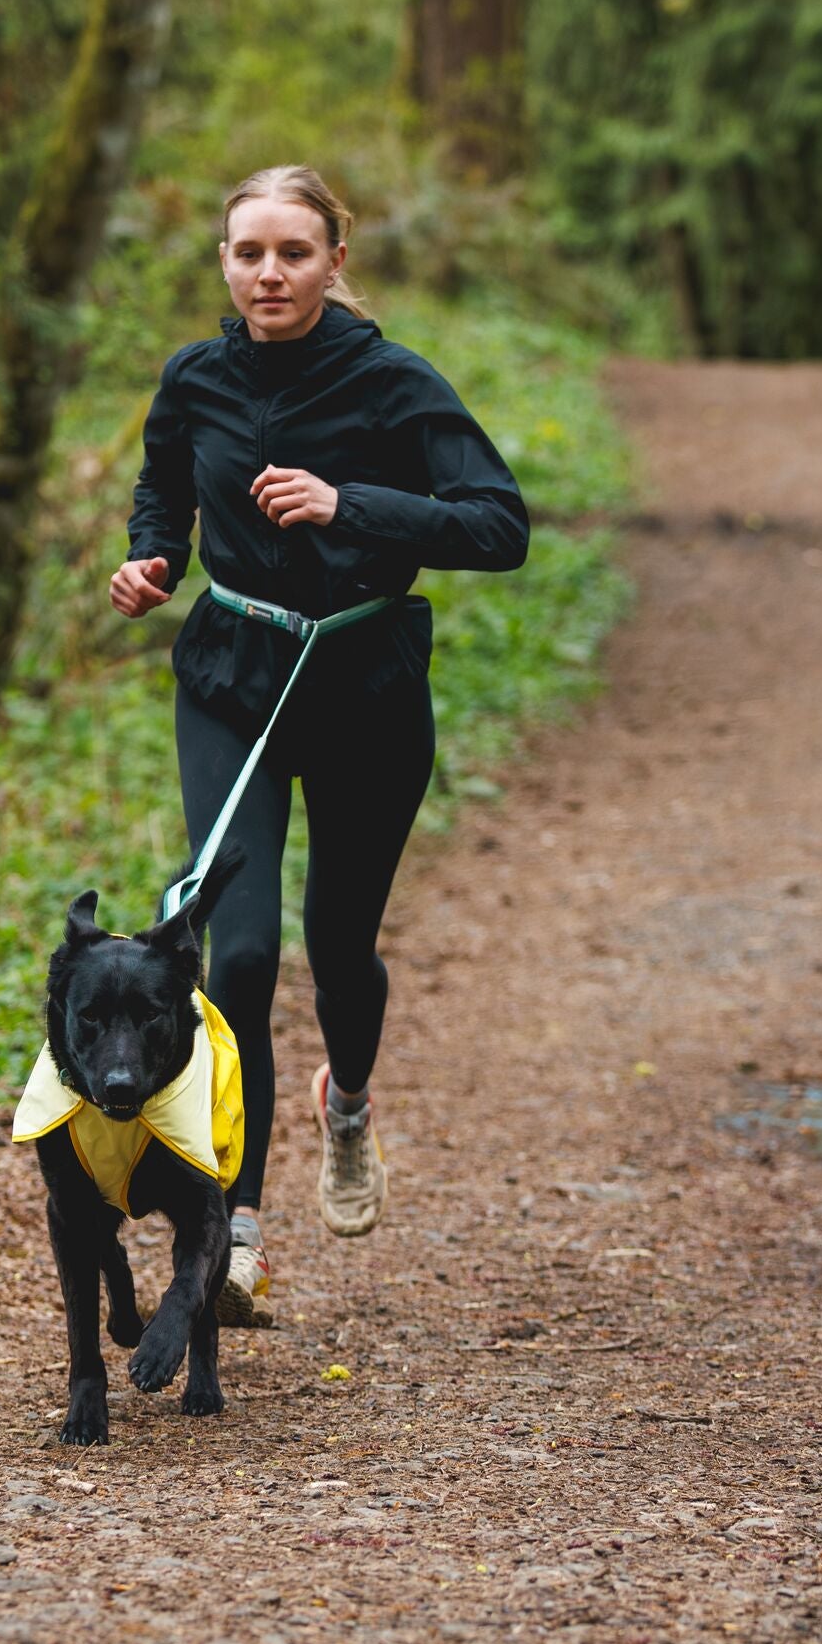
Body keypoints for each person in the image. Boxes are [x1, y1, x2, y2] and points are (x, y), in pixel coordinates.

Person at [110, 164, 529, 1324]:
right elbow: (164, 495)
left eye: (294, 251)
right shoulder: (194, 377)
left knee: (340, 949)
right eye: (249, 252)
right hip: (232, 681)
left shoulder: (393, 383)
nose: (270, 273)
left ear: (336, 259)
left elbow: (500, 527)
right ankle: (230, 1231)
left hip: (363, 685)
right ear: (226, 263)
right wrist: (151, 562)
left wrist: (355, 507)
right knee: (234, 955)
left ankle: (345, 1106)